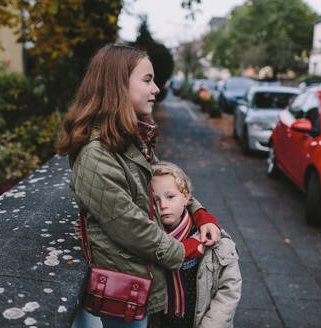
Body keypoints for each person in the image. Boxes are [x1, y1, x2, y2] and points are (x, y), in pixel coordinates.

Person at [57, 43, 221, 328]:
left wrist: (199, 212)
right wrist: (181, 252)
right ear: (117, 86)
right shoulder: (96, 154)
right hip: (126, 291)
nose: (156, 88)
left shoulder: (127, 139)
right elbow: (129, 226)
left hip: (142, 280)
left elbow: (165, 179)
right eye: (147, 80)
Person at [151, 161, 242, 328]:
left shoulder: (215, 243)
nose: (163, 205)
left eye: (170, 197)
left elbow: (229, 291)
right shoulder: (149, 241)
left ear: (186, 197)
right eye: (156, 199)